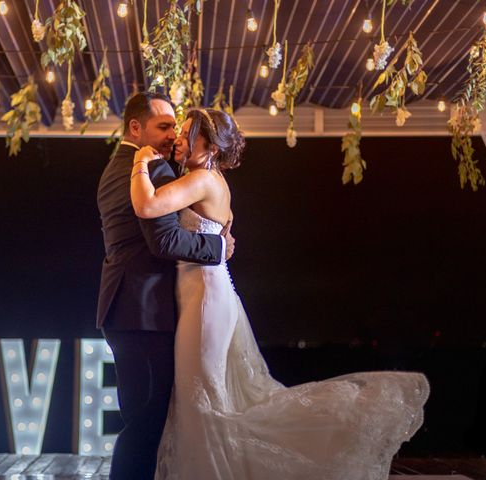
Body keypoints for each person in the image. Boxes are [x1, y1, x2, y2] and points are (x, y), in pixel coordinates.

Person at [130, 108, 430, 480]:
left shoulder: (202, 179)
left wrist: (141, 160)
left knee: (202, 401)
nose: (178, 138)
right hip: (206, 292)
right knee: (204, 401)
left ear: (208, 147)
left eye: (188, 133)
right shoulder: (211, 179)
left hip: (206, 297)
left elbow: (147, 205)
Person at [96, 92, 235, 480]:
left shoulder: (115, 167)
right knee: (145, 423)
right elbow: (165, 241)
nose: (172, 135)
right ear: (136, 128)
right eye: (165, 126)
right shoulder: (148, 169)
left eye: (177, 127)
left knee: (147, 417)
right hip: (144, 311)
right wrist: (219, 246)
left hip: (127, 306)